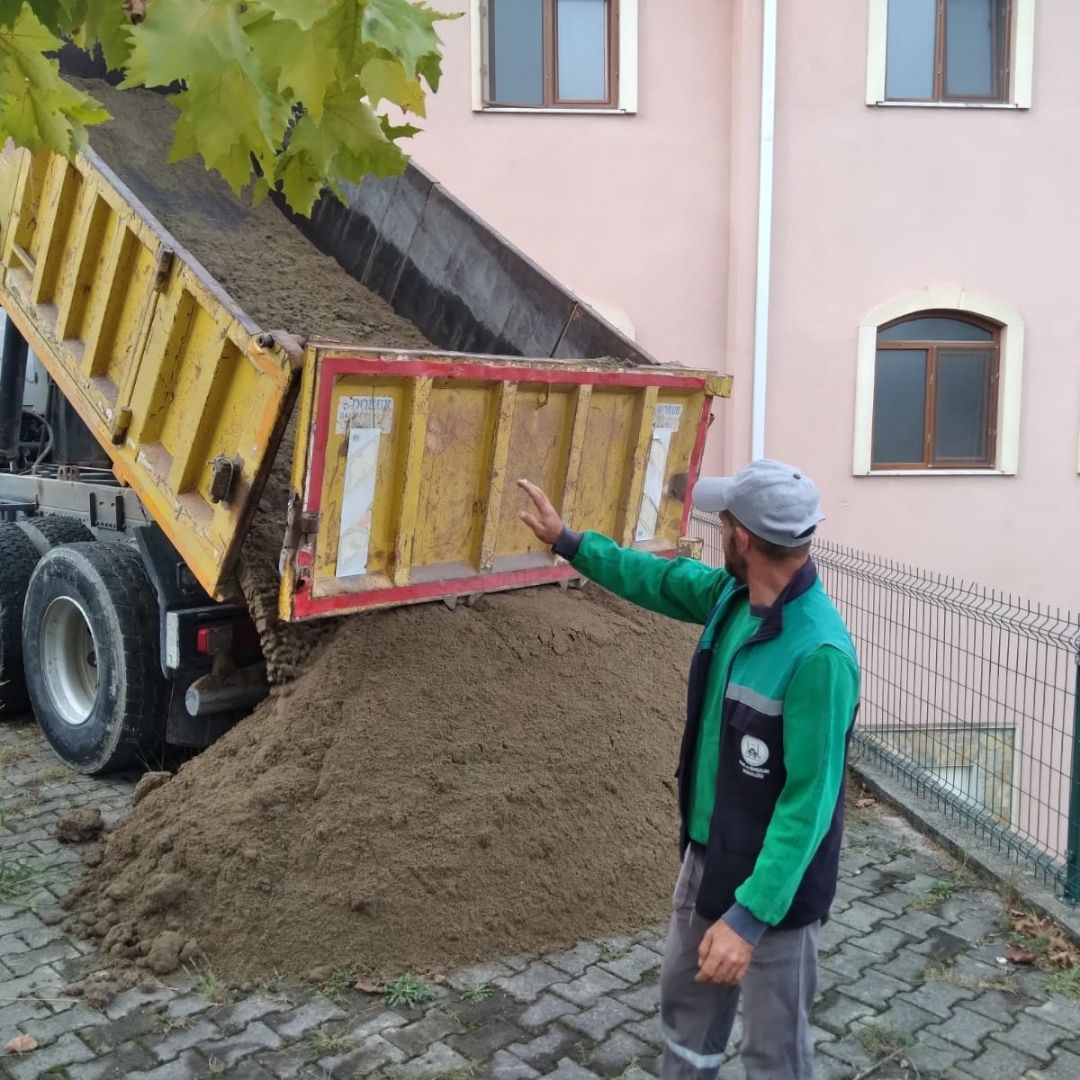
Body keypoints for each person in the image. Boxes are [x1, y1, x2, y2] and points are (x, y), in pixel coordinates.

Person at [517, 460, 859, 1080]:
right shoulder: (734, 597)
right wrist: (569, 543)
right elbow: (660, 579)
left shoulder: (818, 656)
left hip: (775, 896)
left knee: (775, 1052)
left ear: (745, 539)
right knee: (688, 1023)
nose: (719, 529)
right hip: (708, 860)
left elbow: (810, 801)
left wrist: (749, 918)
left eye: (724, 521)